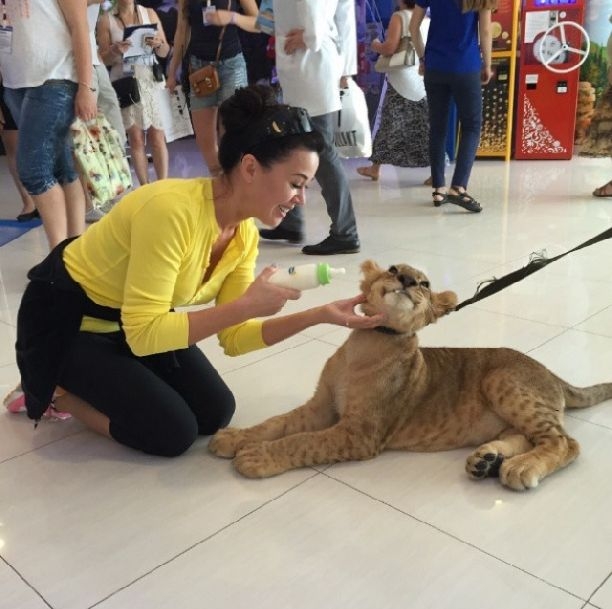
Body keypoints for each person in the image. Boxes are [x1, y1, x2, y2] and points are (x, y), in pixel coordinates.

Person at [14, 85, 384, 457]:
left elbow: (235, 338)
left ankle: (107, 376)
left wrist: (319, 315)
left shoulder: (243, 236)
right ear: (251, 167)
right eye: (296, 184)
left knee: (215, 412)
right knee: (170, 433)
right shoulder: (170, 212)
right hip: (69, 320)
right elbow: (145, 336)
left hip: (130, 319)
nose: (301, 199)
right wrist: (245, 306)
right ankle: (53, 391)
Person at [257, 0, 362, 255]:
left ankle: (345, 231)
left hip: (310, 67)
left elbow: (314, 11)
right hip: (312, 66)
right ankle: (292, 222)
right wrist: (346, 68)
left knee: (321, 153)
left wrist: (312, 36)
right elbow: (344, 18)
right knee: (296, 149)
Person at [0, 0, 97, 250]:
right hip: (16, 81)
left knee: (33, 169)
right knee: (62, 166)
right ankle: (73, 252)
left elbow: (80, 27)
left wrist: (86, 87)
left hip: (56, 77)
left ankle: (57, 256)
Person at [409, 0, 494, 213]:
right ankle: (458, 187)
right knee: (472, 126)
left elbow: (413, 26)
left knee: (437, 128)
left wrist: (422, 58)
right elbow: (484, 30)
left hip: (436, 66)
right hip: (466, 66)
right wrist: (488, 64)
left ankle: (439, 188)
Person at [166, 0, 259, 176]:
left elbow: (260, 23)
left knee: (231, 135)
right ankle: (221, 183)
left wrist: (233, 17)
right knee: (205, 141)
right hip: (199, 68)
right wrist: (172, 71)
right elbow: (181, 30)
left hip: (231, 64)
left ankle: (235, 186)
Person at [97, 0, 171, 186]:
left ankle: (162, 185)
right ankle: (145, 187)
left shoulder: (149, 13)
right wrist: (115, 51)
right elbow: (103, 58)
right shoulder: (106, 20)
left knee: (157, 135)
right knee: (136, 139)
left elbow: (165, 51)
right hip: (125, 80)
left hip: (150, 78)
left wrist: (158, 44)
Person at [357, 0, 430, 182]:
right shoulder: (427, 18)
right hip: (420, 75)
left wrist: (375, 45)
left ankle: (375, 168)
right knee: (424, 125)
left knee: (389, 121)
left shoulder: (400, 17)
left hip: (401, 75)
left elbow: (390, 47)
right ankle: (436, 171)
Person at [83, 0, 128, 223]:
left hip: (95, 60)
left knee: (115, 129)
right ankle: (90, 202)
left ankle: (114, 193)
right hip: (79, 61)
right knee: (87, 133)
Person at [0, 79, 38, 222]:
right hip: (8, 83)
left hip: (40, 81)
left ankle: (45, 197)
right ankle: (28, 201)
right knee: (13, 145)